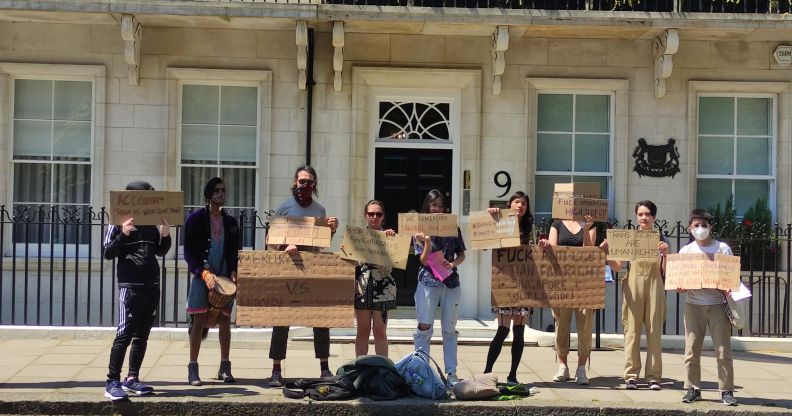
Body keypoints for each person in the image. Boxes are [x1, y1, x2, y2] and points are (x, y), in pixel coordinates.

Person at [267, 165, 339, 387]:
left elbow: (322, 241)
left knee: (321, 319)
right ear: (295, 182)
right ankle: (276, 370)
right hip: (288, 269)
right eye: (301, 181)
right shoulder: (285, 208)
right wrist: (284, 244)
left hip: (312, 269)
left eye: (309, 182)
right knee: (281, 321)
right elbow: (270, 238)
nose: (305, 186)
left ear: (314, 184)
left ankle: (324, 368)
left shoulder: (320, 210)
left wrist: (332, 230)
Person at [102, 181, 172, 401]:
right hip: (130, 287)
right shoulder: (118, 221)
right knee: (124, 334)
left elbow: (160, 251)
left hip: (152, 285)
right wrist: (122, 233)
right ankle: (112, 381)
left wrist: (166, 235)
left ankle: (132, 378)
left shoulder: (152, 222)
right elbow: (107, 252)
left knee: (142, 335)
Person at [605, 200, 669, 390]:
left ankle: (654, 376)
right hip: (633, 285)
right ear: (636, 217)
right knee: (631, 332)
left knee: (654, 332)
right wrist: (609, 251)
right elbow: (617, 267)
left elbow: (666, 272)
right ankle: (631, 375)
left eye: (647, 214)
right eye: (640, 214)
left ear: (654, 217)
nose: (644, 217)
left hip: (655, 285)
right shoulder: (629, 238)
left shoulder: (662, 239)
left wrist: (665, 254)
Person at [678, 209, 737, 406]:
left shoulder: (722, 248)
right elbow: (679, 282)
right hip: (694, 305)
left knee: (723, 350)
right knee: (691, 350)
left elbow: (732, 277)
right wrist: (680, 285)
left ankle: (726, 390)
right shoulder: (686, 252)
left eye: (704, 225)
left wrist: (729, 287)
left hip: (718, 305)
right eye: (696, 225)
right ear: (690, 229)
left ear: (711, 227)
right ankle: (692, 388)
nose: (700, 229)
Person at [184, 177, 240, 386]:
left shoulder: (231, 222)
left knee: (225, 320)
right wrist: (203, 273)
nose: (220, 194)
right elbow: (189, 252)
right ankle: (193, 368)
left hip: (224, 276)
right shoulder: (194, 219)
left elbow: (235, 250)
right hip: (202, 276)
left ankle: (225, 367)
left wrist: (234, 271)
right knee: (198, 320)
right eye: (216, 190)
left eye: (223, 190)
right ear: (208, 195)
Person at [413, 189, 466, 388]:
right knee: (424, 326)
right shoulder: (419, 229)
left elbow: (461, 254)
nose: (437, 209)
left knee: (450, 329)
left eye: (440, 205)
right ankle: (422, 370)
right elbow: (423, 259)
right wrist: (426, 241)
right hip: (428, 281)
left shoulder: (453, 227)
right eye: (433, 205)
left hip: (450, 282)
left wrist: (454, 264)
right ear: (427, 207)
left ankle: (451, 372)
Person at [538, 214, 596, 385]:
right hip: (561, 282)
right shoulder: (556, 224)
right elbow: (553, 249)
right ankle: (563, 366)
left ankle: (581, 368)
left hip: (584, 283)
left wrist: (585, 228)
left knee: (585, 325)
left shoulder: (591, 225)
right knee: (561, 324)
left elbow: (590, 252)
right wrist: (546, 246)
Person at [483, 191, 533, 384]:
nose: (520, 206)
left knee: (519, 331)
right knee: (503, 330)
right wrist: (490, 216)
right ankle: (487, 371)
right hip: (504, 283)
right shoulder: (500, 222)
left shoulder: (530, 228)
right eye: (517, 202)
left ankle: (513, 375)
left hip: (523, 285)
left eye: (524, 204)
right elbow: (484, 242)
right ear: (510, 204)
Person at [351, 200, 397, 357]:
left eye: (378, 214)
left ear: (383, 216)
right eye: (371, 214)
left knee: (380, 331)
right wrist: (346, 253)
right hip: (362, 288)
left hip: (383, 288)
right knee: (362, 330)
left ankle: (382, 370)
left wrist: (392, 240)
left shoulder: (390, 237)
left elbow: (395, 262)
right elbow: (353, 263)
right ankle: (361, 368)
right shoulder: (357, 238)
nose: (374, 217)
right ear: (365, 216)